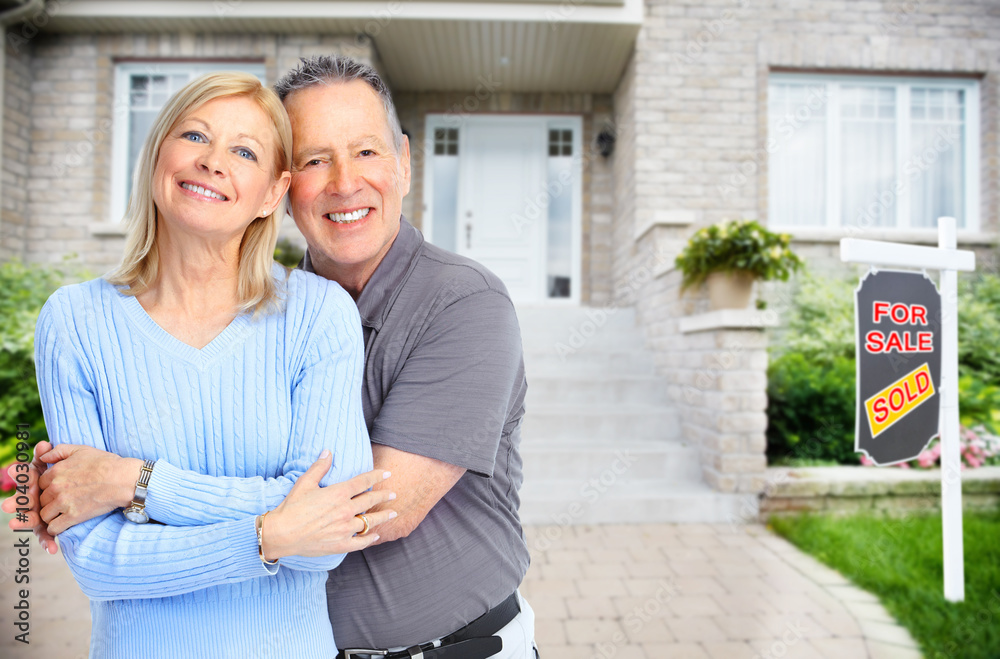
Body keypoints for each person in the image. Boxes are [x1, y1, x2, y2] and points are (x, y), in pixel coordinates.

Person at [11, 55, 536, 658]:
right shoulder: (287, 306)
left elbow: (363, 512)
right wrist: (265, 530)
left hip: (451, 648)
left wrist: (133, 483)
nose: (344, 181)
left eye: (366, 151)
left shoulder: (462, 304)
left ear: (405, 163)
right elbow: (95, 553)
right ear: (287, 191)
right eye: (316, 159)